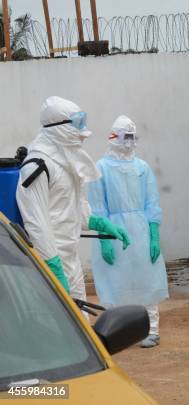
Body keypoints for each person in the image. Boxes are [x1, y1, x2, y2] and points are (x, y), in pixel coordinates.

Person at [17, 96, 130, 301]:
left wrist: (98, 222)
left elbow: (72, 206)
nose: (83, 133)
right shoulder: (37, 166)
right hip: (48, 263)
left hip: (70, 259)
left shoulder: (66, 163)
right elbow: (36, 223)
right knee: (55, 327)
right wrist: (52, 267)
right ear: (59, 128)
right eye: (77, 124)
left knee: (80, 326)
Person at [88, 115, 169, 348]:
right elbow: (97, 206)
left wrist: (154, 236)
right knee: (114, 280)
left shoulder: (142, 168)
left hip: (141, 229)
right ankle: (114, 332)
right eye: (126, 136)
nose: (130, 142)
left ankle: (151, 329)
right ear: (114, 137)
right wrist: (104, 239)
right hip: (112, 229)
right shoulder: (100, 168)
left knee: (147, 277)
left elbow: (152, 203)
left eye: (133, 137)